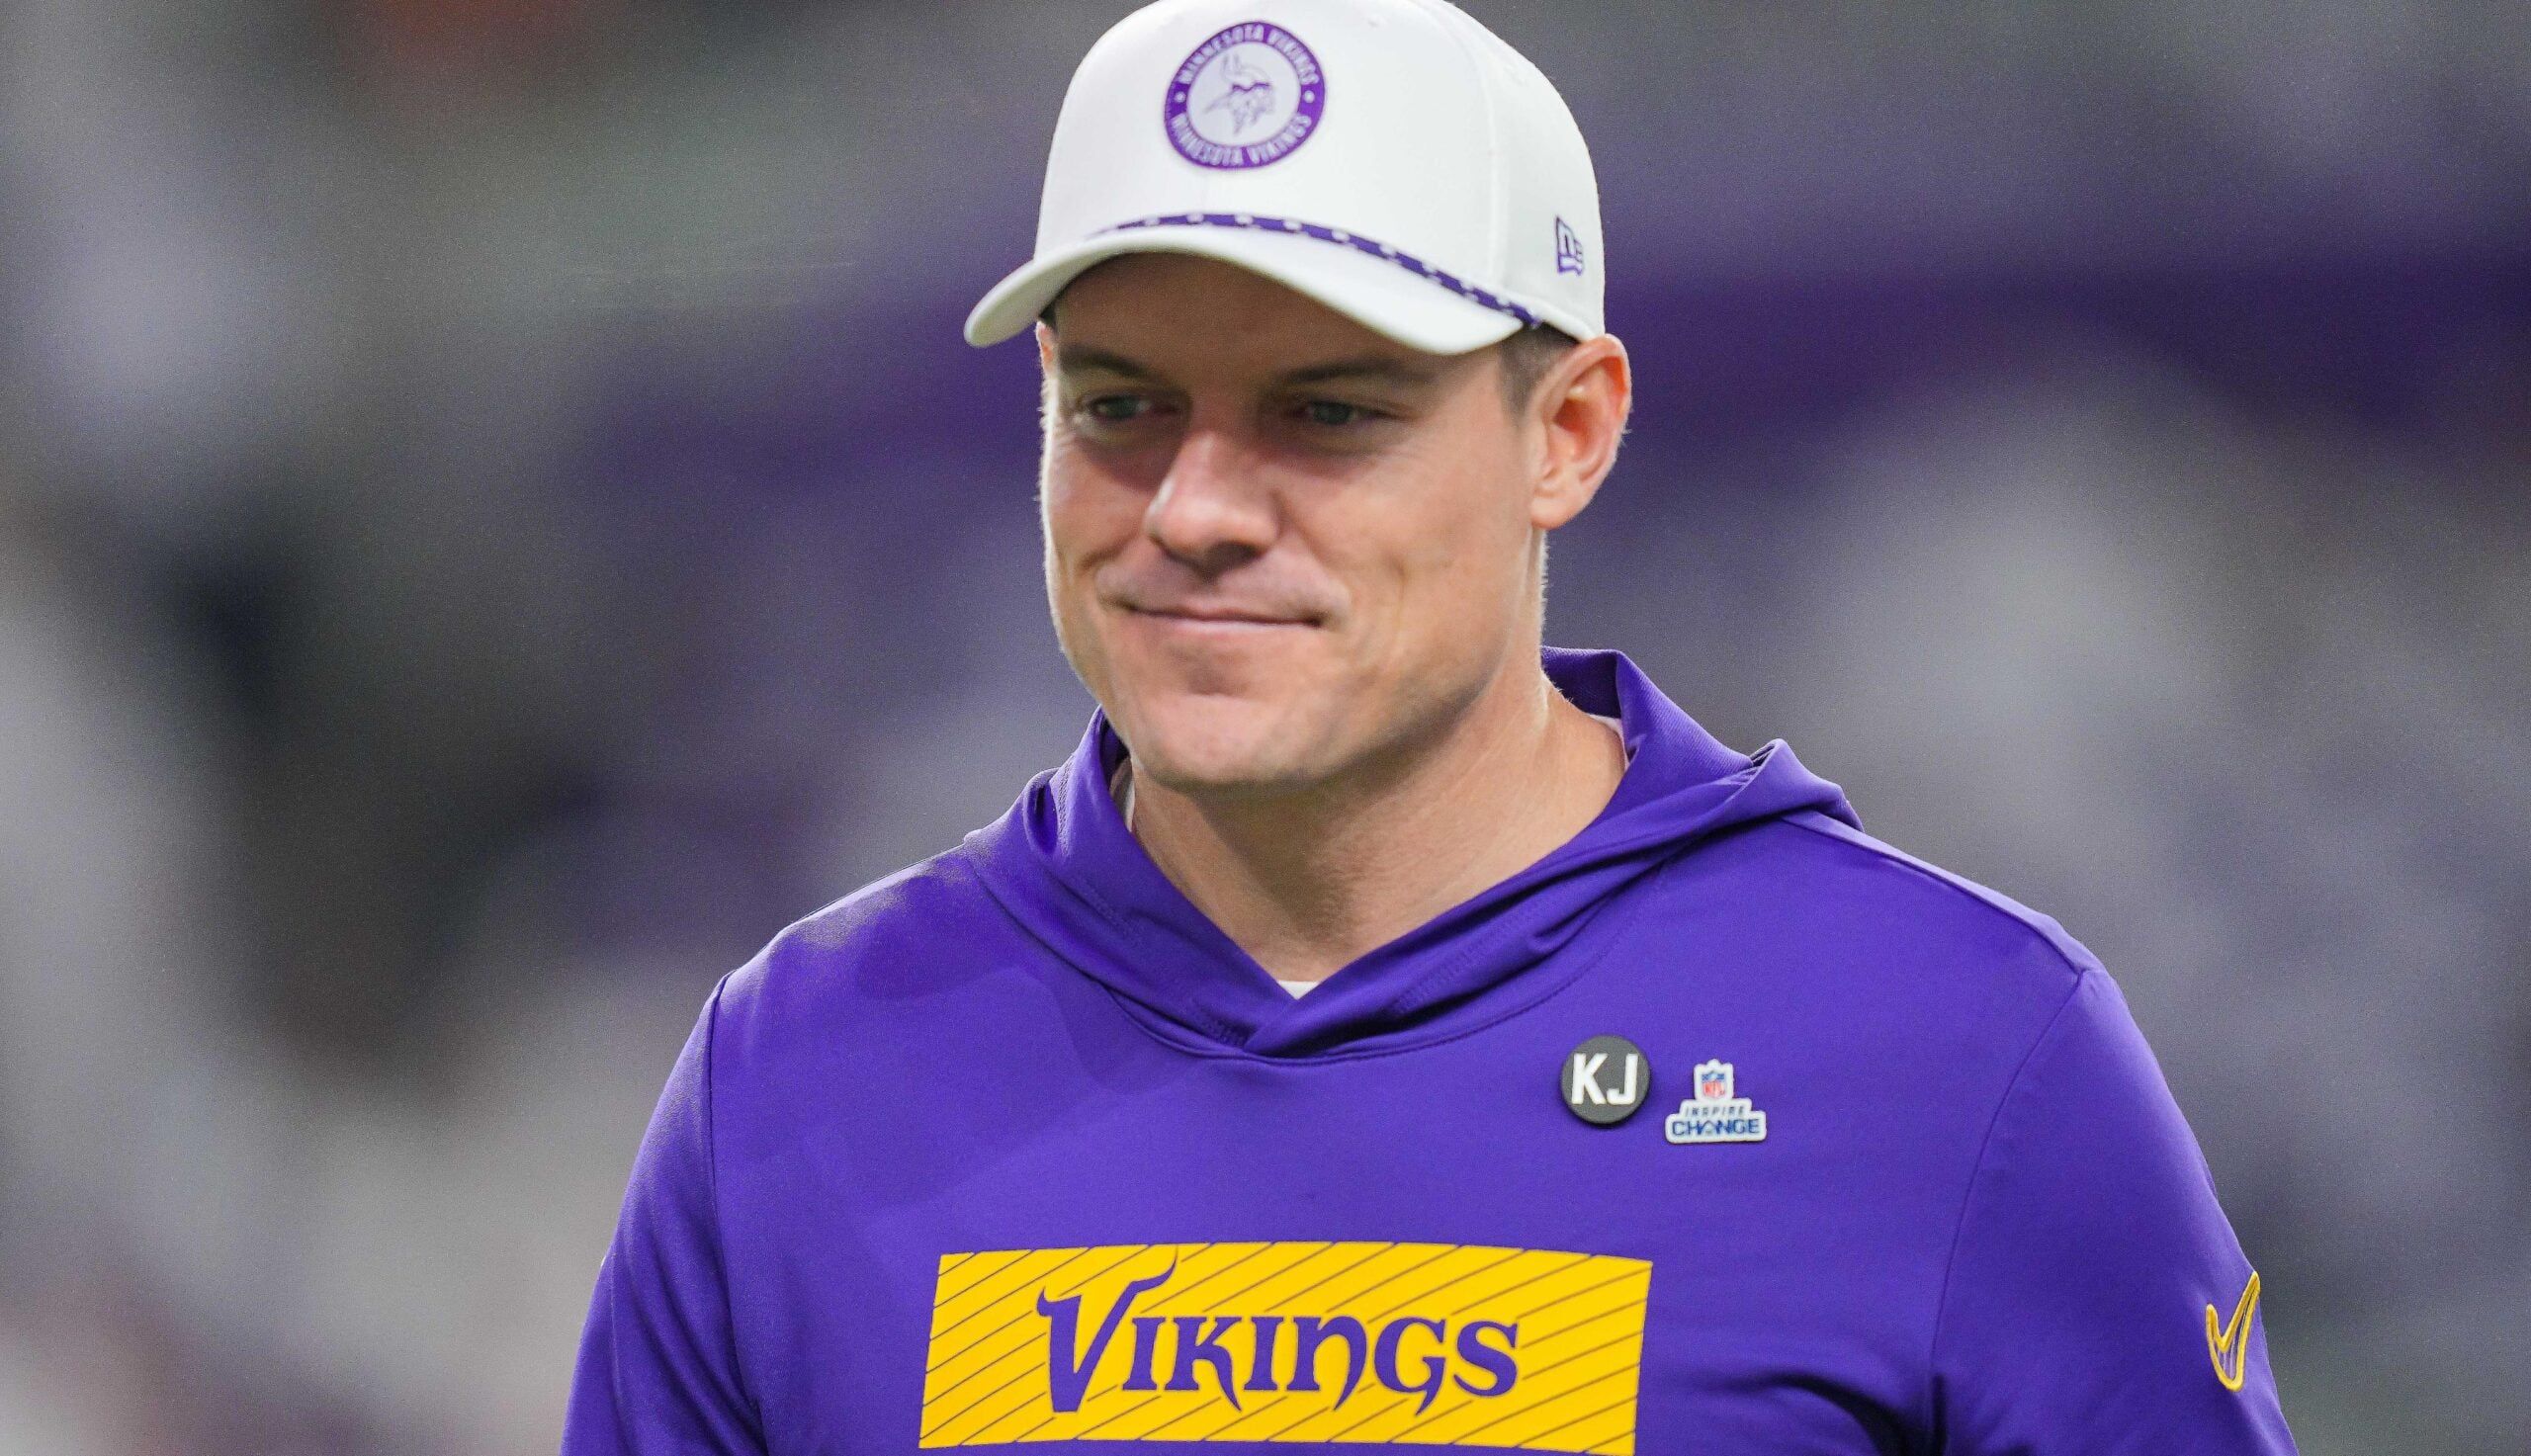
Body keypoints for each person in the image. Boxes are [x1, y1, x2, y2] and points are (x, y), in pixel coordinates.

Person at [561, 2, 2299, 1452]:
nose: (1195, 508)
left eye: (1327, 412)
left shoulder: (1961, 1060)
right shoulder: (794, 1076)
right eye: (1122, 405)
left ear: (1571, 431)